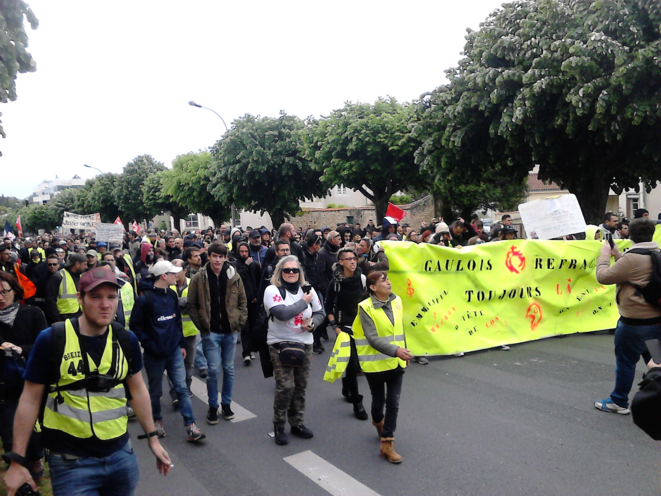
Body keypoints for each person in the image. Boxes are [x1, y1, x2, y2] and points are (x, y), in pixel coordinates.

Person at [3, 267, 171, 496]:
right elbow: (29, 400)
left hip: (121, 455)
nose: (105, 304)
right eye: (96, 297)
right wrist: (17, 460)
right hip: (71, 463)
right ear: (80, 299)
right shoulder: (52, 339)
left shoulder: (125, 339)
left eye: (111, 297)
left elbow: (138, 389)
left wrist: (152, 438)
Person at [129, 260, 206, 441]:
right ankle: (156, 422)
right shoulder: (144, 299)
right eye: (173, 273)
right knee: (155, 391)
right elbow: (136, 326)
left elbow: (176, 321)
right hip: (154, 355)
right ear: (164, 276)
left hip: (173, 352)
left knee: (182, 388)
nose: (177, 275)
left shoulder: (171, 294)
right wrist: (150, 345)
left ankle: (191, 426)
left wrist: (180, 344)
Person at [594, 218, 661, 414]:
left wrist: (605, 256)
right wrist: (619, 256)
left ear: (629, 235)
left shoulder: (632, 259)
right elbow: (637, 272)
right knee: (656, 362)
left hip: (633, 324)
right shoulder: (655, 254)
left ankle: (619, 401)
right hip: (655, 321)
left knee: (625, 362)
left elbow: (603, 277)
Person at [263, 255, 325, 445]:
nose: (291, 273)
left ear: (300, 273)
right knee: (286, 387)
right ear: (280, 272)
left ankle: (297, 422)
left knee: (300, 387)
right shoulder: (272, 289)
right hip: (280, 344)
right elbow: (282, 314)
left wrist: (313, 323)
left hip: (305, 343)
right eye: (287, 270)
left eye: (295, 270)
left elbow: (320, 312)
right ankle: (279, 425)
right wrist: (304, 301)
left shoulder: (308, 289)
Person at [353, 271, 412, 463]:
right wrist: (396, 351)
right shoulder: (365, 307)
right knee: (378, 401)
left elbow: (399, 329)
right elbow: (372, 338)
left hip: (396, 362)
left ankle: (387, 444)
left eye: (388, 279)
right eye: (383, 280)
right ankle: (378, 422)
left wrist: (404, 351)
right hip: (375, 365)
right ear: (373, 287)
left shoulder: (397, 301)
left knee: (393, 403)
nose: (388, 283)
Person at [188, 242, 247, 424]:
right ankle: (213, 406)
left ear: (225, 258)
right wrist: (202, 326)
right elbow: (192, 304)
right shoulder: (200, 277)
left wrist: (239, 323)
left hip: (230, 331)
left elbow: (242, 302)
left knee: (229, 369)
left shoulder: (234, 276)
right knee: (213, 370)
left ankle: (226, 404)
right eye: (214, 256)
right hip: (211, 331)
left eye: (221, 257)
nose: (218, 260)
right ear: (209, 256)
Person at [0, 272, 48, 482]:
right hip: (4, 384)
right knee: (8, 430)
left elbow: (44, 344)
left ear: (15, 291)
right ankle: (18, 470)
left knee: (35, 428)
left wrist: (20, 349)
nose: (0, 297)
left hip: (31, 381)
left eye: (4, 291)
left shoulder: (33, 313)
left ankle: (36, 457)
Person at [325, 247, 369, 420]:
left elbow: (368, 301)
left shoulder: (363, 278)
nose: (352, 261)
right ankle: (357, 403)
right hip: (344, 326)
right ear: (341, 262)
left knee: (358, 362)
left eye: (354, 258)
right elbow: (328, 306)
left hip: (361, 325)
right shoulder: (335, 282)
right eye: (348, 259)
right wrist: (335, 327)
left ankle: (346, 384)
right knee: (351, 363)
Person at [44, 253, 86, 325]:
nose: (86, 267)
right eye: (84, 264)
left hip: (79, 315)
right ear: (77, 264)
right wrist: (57, 320)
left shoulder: (82, 277)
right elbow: (50, 301)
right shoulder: (58, 276)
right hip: (64, 316)